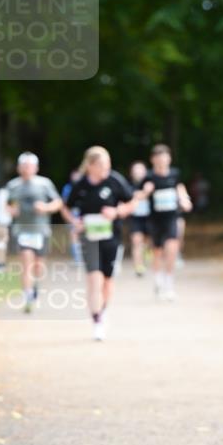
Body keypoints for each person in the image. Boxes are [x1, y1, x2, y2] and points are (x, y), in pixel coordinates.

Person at [63, 146, 136, 340]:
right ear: (91, 166)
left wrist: (117, 212)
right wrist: (74, 222)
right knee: (94, 279)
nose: (107, 168)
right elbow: (65, 207)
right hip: (89, 238)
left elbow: (131, 202)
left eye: (108, 163)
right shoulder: (80, 185)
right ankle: (97, 320)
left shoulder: (115, 181)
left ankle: (103, 311)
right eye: (103, 165)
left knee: (107, 281)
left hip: (112, 237)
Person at [5, 153, 63, 313]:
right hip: (21, 230)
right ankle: (28, 296)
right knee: (26, 263)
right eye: (24, 166)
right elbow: (5, 206)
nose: (26, 169)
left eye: (29, 166)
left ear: (36, 168)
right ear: (19, 168)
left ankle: (34, 285)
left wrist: (45, 208)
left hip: (41, 230)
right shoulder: (12, 186)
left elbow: (58, 203)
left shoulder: (44, 184)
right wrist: (11, 210)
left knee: (38, 266)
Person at [142, 144, 193, 301]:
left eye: (164, 157)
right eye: (158, 158)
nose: (162, 161)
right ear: (153, 160)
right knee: (157, 252)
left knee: (171, 250)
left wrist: (185, 200)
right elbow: (139, 195)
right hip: (155, 220)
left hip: (171, 218)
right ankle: (158, 280)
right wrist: (146, 191)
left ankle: (169, 285)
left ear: (169, 158)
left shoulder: (175, 174)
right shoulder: (149, 177)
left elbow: (180, 188)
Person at [128, 160, 151, 276]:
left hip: (149, 218)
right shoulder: (128, 186)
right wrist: (145, 193)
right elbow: (132, 197)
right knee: (137, 242)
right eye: (135, 170)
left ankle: (147, 253)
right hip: (135, 218)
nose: (138, 172)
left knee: (147, 242)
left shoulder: (151, 183)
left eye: (140, 170)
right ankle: (138, 267)